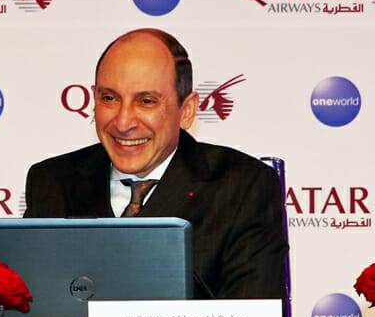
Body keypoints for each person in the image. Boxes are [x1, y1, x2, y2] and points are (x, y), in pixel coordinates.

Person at [23, 28, 287, 299]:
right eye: (109, 98)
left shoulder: (242, 187)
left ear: (187, 111)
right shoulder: (52, 182)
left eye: (146, 101)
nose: (124, 122)